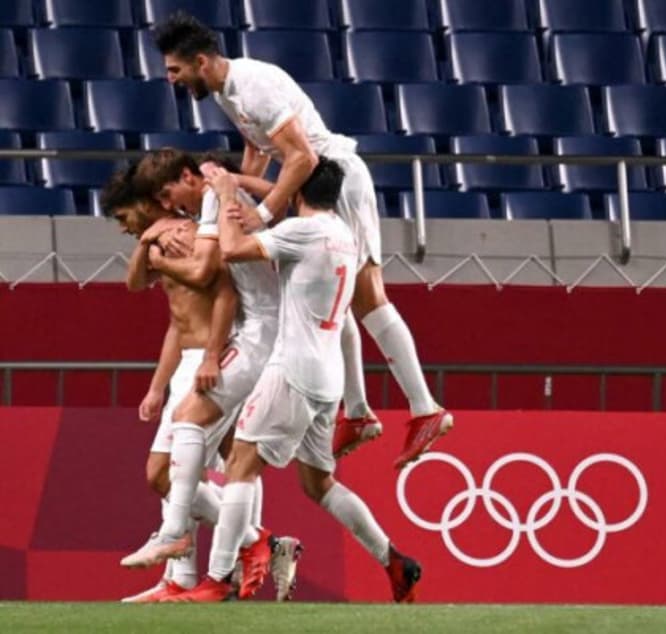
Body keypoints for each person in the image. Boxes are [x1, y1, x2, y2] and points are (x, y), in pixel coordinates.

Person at [153, 11, 453, 468]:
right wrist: (233, 194)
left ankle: (424, 409)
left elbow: (302, 155)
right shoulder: (223, 90)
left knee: (369, 297)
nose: (170, 79)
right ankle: (356, 412)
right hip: (309, 186)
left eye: (174, 70)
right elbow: (258, 147)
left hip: (336, 180)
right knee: (339, 295)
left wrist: (263, 213)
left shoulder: (254, 83)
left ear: (200, 61)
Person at [166, 159, 421, 603]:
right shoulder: (343, 232)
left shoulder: (301, 233)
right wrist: (244, 183)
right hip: (329, 379)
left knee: (242, 464)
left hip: (293, 369)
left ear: (299, 190)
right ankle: (392, 558)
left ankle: (217, 578)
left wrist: (226, 194)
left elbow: (232, 250)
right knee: (318, 484)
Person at [101, 165, 238, 602]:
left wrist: (213, 354)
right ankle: (181, 578)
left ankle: (257, 542)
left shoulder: (184, 236)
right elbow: (156, 303)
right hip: (188, 364)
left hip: (210, 361)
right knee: (172, 474)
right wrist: (157, 387)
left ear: (142, 206)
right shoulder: (158, 238)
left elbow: (219, 291)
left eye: (125, 220)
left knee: (170, 473)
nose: (124, 229)